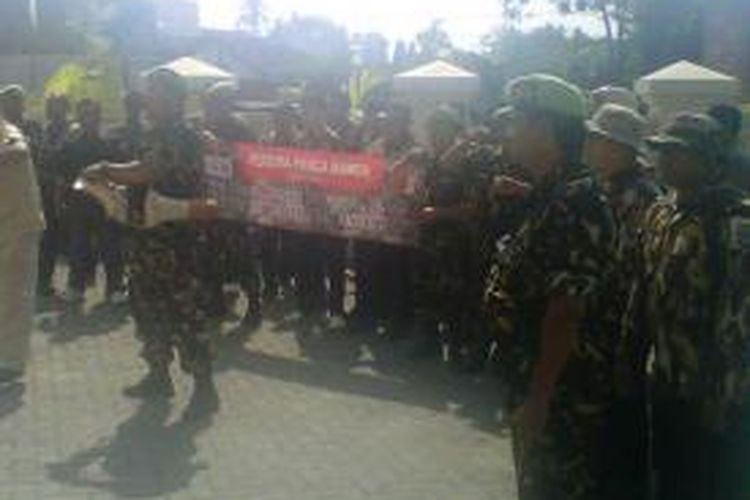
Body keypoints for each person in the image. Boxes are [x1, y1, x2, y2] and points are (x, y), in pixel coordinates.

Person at [484, 74, 616, 499]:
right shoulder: (552, 192)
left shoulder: (576, 201)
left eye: (516, 122)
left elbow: (566, 310)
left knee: (554, 486)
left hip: (562, 391)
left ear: (543, 129)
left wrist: (539, 397)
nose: (509, 133)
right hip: (533, 373)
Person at [80, 69, 220, 418]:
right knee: (146, 307)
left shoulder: (182, 135)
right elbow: (140, 174)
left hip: (176, 241)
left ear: (173, 97)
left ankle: (204, 386)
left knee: (185, 311)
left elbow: (149, 171)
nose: (146, 99)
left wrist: (107, 169)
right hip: (146, 237)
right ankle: (158, 375)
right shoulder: (154, 132)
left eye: (153, 93)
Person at [639, 113, 750, 500]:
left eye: (678, 152)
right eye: (661, 150)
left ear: (710, 161)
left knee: (714, 483)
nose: (665, 159)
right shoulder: (659, 212)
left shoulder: (735, 221)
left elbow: (736, 315)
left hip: (715, 393)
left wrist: (719, 397)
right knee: (669, 478)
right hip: (666, 380)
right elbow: (646, 291)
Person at [582, 103, 661, 499]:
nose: (590, 146)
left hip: (622, 327)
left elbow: (628, 271)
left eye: (596, 139)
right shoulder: (604, 186)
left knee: (622, 420)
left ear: (617, 147)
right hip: (601, 324)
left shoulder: (642, 196)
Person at [60, 99, 125, 307]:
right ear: (79, 118)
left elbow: (118, 172)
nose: (89, 118)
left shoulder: (109, 143)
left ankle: (115, 287)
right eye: (85, 114)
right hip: (80, 202)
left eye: (93, 114)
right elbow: (62, 172)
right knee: (79, 246)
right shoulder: (70, 145)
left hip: (104, 202)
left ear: (99, 117)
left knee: (110, 246)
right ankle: (76, 287)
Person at [0, 113, 45, 383]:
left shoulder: (6, 130)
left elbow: (16, 150)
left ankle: (9, 365)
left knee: (13, 295)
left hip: (19, 226)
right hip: (6, 223)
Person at [36, 94, 72, 300]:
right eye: (52, 107)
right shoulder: (48, 131)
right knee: (49, 239)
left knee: (64, 239)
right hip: (49, 192)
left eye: (57, 107)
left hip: (67, 190)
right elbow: (45, 160)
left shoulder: (69, 130)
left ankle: (74, 284)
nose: (53, 111)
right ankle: (43, 282)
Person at [709, 104, 750, 193]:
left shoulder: (741, 162)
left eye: (723, 122)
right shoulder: (700, 157)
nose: (717, 127)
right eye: (714, 121)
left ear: (735, 128)